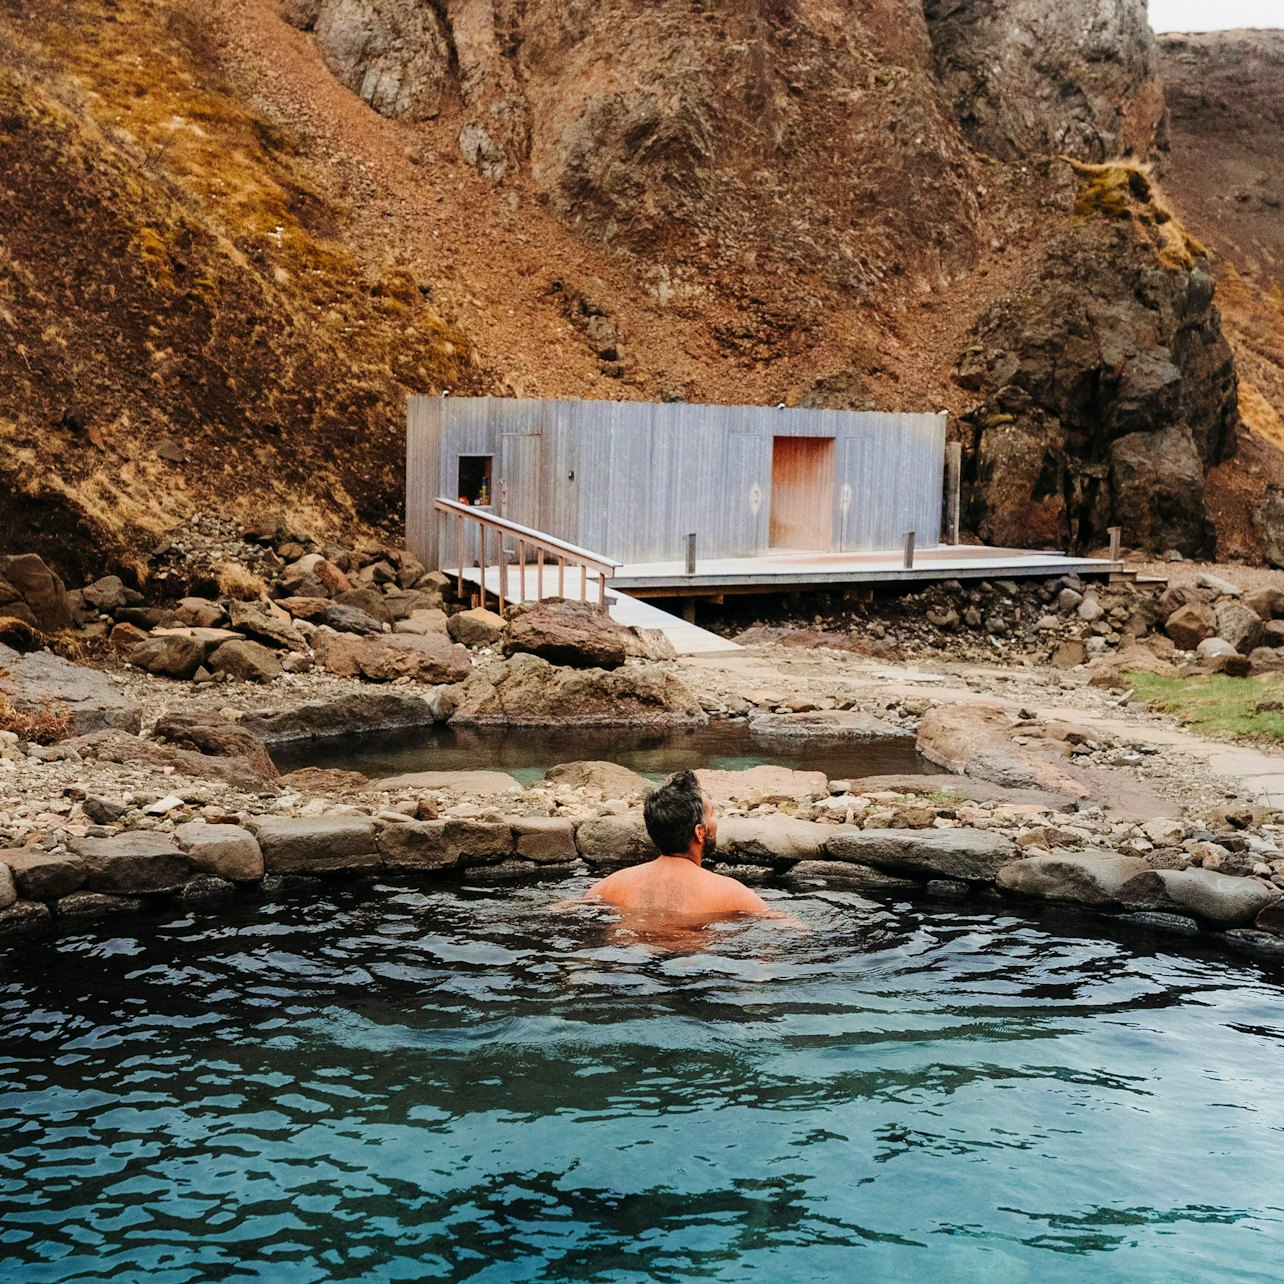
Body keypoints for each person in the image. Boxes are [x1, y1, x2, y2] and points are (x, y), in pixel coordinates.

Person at [585, 770, 772, 921]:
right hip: (695, 963)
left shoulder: (611, 885)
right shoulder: (733, 893)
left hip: (631, 959)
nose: (715, 821)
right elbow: (788, 929)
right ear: (700, 832)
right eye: (712, 814)